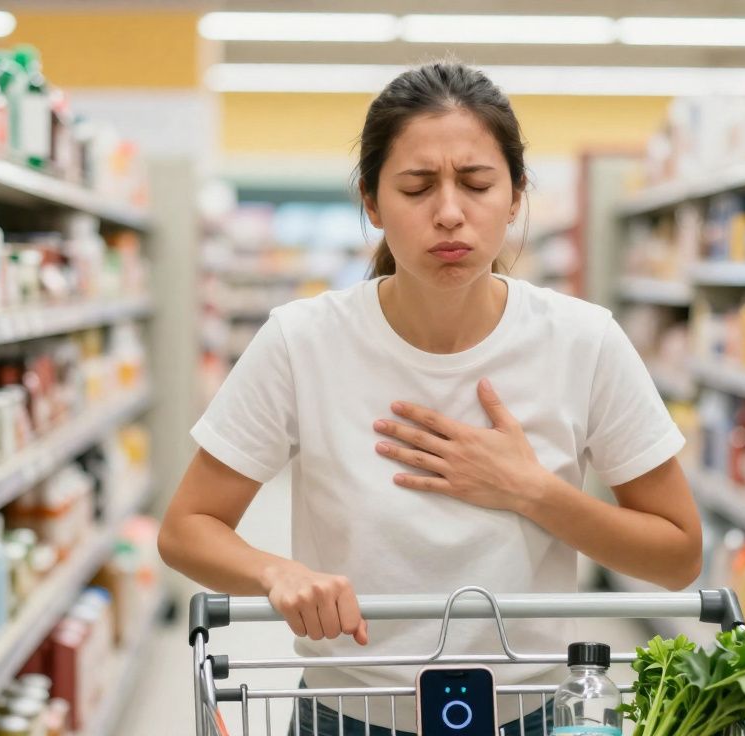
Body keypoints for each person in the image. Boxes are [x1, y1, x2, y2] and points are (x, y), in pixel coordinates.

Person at [159, 60, 702, 736]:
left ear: (515, 195)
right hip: (346, 713)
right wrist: (276, 571)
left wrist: (533, 491)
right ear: (371, 201)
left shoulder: (583, 342)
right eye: (417, 187)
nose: (450, 213)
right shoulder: (303, 342)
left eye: (477, 184)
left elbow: (679, 555)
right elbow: (186, 528)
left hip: (529, 714)